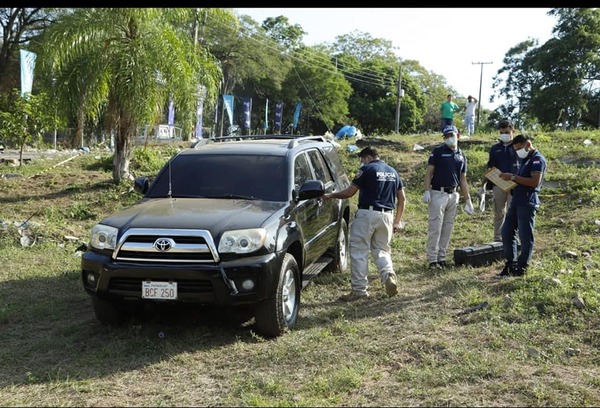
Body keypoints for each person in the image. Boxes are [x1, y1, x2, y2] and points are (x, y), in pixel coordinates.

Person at [323, 146, 406, 301]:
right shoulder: (393, 172)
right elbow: (402, 199)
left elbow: (349, 192)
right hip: (387, 216)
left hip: (367, 214)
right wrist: (397, 221)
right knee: (382, 250)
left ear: (367, 157)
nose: (362, 163)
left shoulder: (367, 170)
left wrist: (331, 195)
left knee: (359, 251)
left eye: (362, 160)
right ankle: (388, 274)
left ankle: (359, 291)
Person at [423, 125, 475, 269]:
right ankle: (432, 259)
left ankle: (442, 257)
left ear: (458, 135)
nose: (448, 138)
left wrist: (468, 199)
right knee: (435, 227)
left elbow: (463, 179)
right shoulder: (438, 152)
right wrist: (427, 190)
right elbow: (429, 173)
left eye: (451, 135)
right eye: (446, 136)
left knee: (448, 227)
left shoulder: (461, 155)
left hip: (453, 194)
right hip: (438, 193)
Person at [497, 134, 546, 277]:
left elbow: (534, 182)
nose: (518, 152)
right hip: (517, 199)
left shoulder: (537, 159)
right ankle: (511, 264)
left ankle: (522, 266)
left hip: (527, 201)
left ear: (528, 144)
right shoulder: (526, 160)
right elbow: (521, 180)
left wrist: (512, 177)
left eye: (519, 148)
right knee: (506, 232)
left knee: (525, 235)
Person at [481, 119, 520, 242]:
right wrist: (483, 185)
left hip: (516, 183)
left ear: (513, 131)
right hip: (498, 184)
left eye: (507, 132)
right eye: (502, 132)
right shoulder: (495, 148)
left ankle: (515, 238)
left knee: (514, 212)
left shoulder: (518, 146)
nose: (504, 134)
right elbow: (490, 167)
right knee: (498, 211)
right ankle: (498, 238)